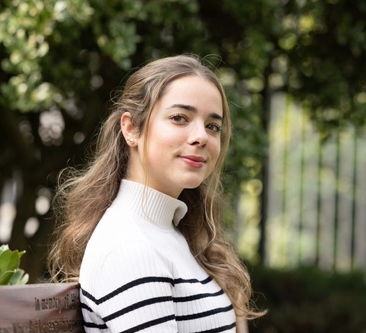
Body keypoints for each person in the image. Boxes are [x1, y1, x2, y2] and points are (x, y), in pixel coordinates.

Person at [48, 54, 264, 333]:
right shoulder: (130, 248)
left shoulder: (176, 236)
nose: (201, 136)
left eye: (213, 126)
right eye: (179, 118)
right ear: (131, 129)